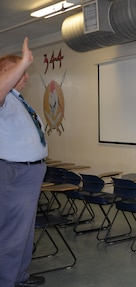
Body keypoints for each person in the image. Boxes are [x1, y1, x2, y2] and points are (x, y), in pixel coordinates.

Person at [0, 38, 48, 287]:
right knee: (12, 233)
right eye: (21, 71)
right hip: (15, 173)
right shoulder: (4, 99)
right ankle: (6, 280)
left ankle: (19, 275)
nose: (27, 76)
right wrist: (23, 62)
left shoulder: (16, 99)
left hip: (29, 173)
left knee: (25, 231)